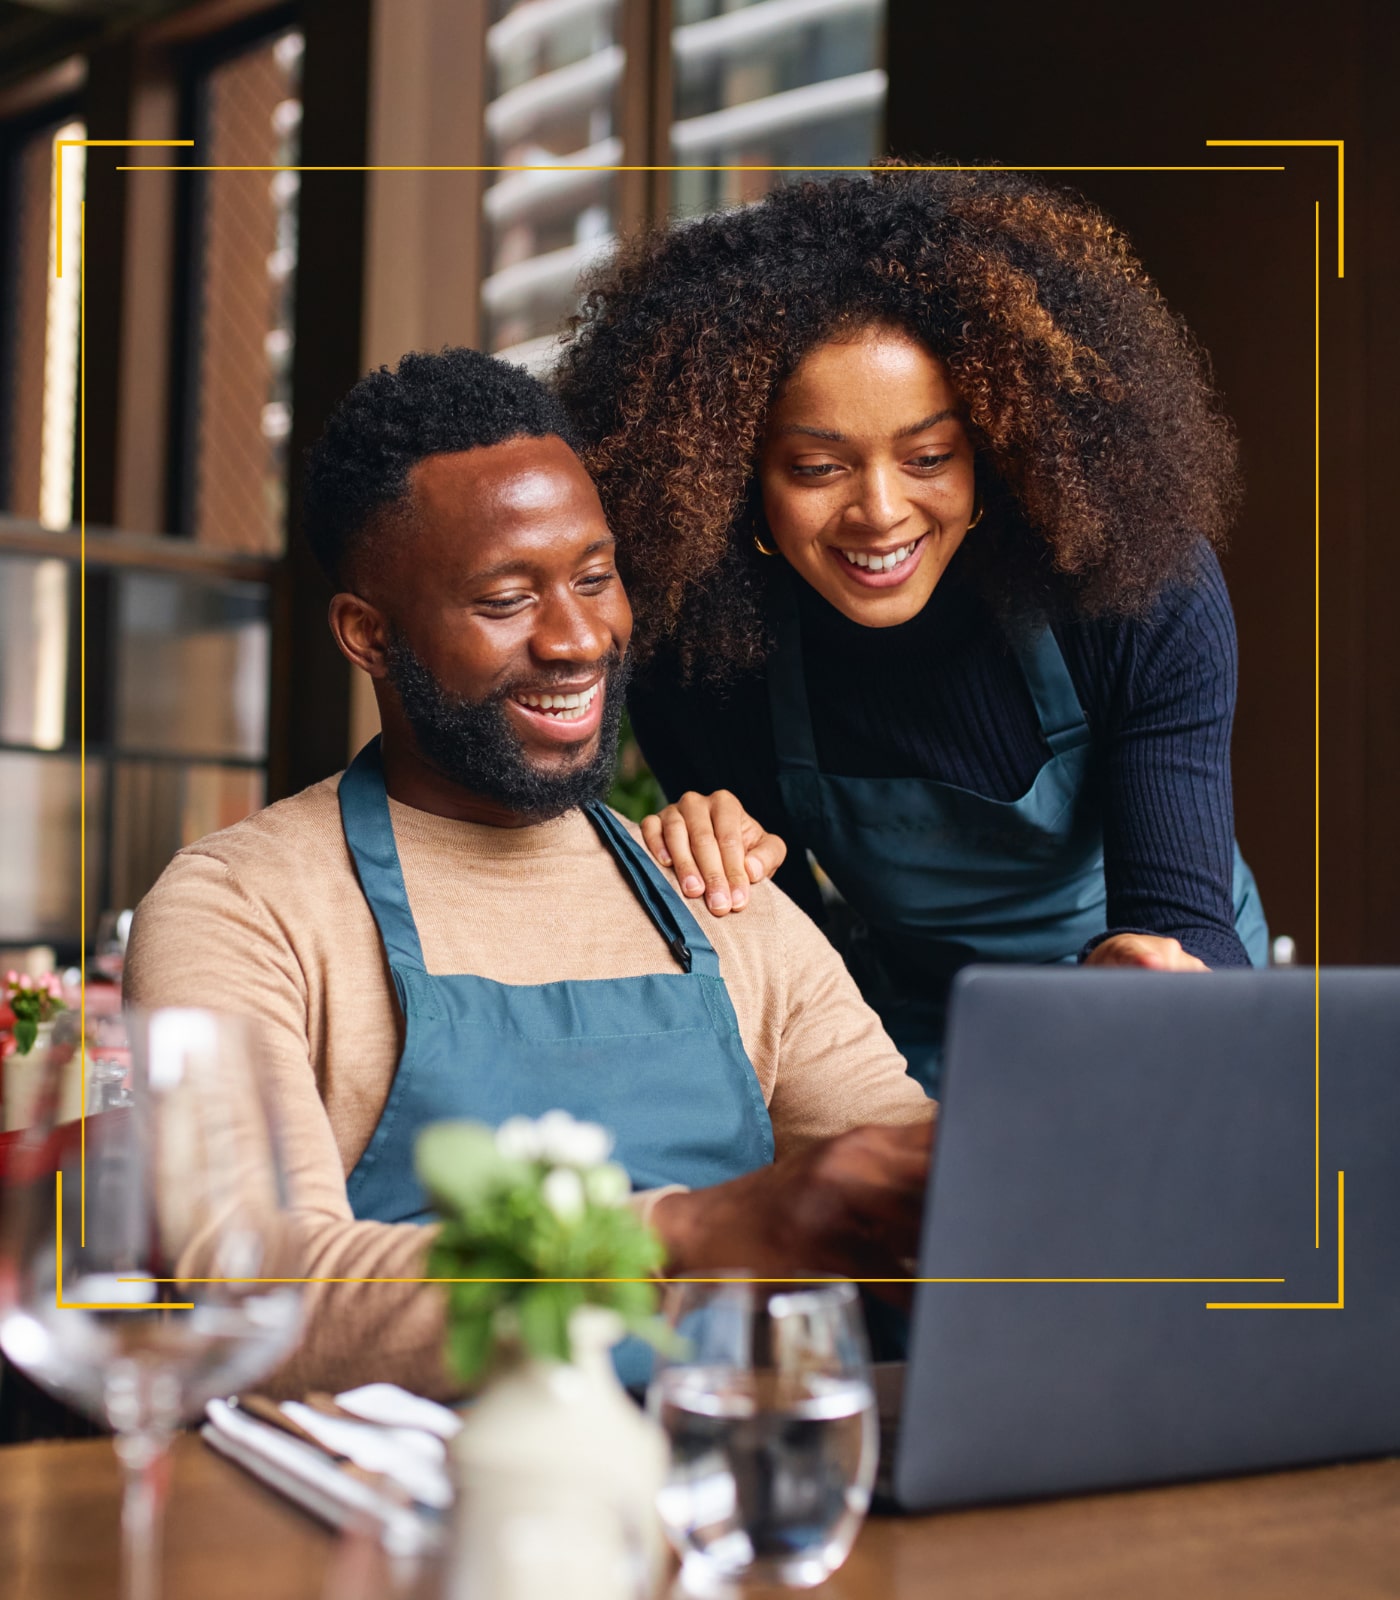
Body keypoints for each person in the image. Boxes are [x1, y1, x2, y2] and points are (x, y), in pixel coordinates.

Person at [124, 348, 932, 1400]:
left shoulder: (717, 888)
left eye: (595, 577)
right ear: (368, 635)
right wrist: (687, 1229)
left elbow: (911, 1194)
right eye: (507, 598)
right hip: (398, 1536)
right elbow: (257, 1285)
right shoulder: (242, 907)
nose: (577, 638)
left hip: (729, 1499)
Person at [555, 166, 1270, 1094]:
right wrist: (711, 867)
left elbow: (1187, 918)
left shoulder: (1133, 590)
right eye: (817, 468)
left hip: (1158, 1006)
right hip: (916, 1031)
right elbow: (794, 972)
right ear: (735, 481)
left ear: (997, 446)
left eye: (930, 456)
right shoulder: (703, 651)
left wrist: (1158, 977)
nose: (881, 514)